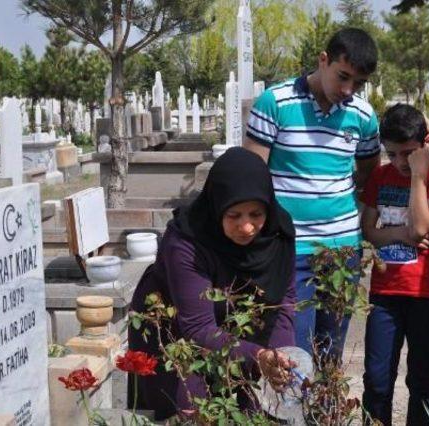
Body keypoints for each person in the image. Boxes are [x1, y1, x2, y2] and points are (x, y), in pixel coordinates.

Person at [128, 147, 297, 420]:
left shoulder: (278, 234)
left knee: (259, 410)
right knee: (191, 410)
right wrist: (260, 356)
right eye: (234, 216)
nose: (247, 227)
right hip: (179, 335)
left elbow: (283, 304)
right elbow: (197, 328)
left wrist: (280, 359)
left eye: (256, 214)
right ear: (217, 208)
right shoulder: (186, 243)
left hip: (247, 331)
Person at [243, 27, 381, 358]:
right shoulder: (275, 103)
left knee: (331, 353)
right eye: (342, 76)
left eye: (358, 83)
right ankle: (294, 412)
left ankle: (327, 412)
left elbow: (369, 174)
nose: (348, 90)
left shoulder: (362, 115)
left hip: (342, 252)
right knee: (294, 353)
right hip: (290, 249)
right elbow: (250, 177)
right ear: (323, 60)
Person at [360, 104, 429, 425]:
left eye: (408, 153)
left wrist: (419, 174)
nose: (400, 162)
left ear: (427, 143)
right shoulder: (380, 176)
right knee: (376, 380)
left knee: (422, 380)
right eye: (392, 154)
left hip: (427, 293)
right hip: (386, 293)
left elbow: (421, 228)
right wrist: (402, 234)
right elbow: (370, 231)